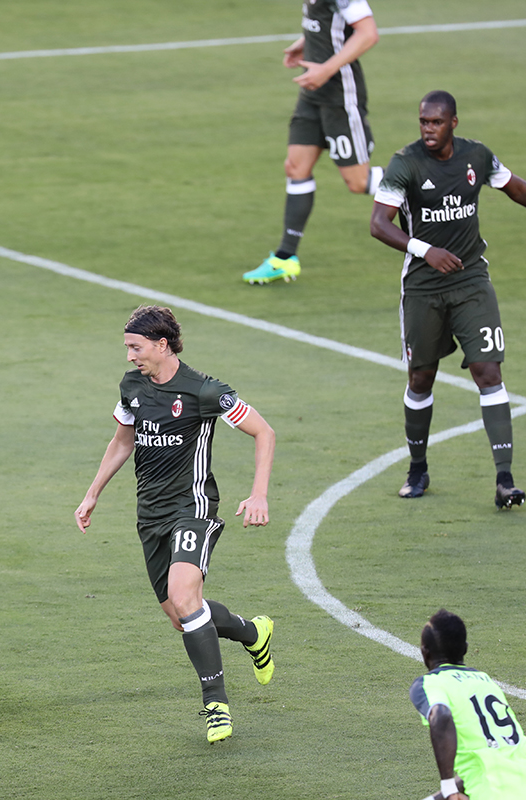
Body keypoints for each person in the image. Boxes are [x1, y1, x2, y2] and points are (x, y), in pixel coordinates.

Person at [370, 90, 526, 508]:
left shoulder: (476, 157)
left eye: (435, 122)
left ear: (453, 123)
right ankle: (418, 468)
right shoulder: (405, 163)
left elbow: (516, 188)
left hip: (471, 282)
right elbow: (379, 224)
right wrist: (424, 250)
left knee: (489, 373)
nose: (427, 129)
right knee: (421, 379)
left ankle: (505, 480)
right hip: (422, 287)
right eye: (422, 122)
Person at [74, 306, 277, 743]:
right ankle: (252, 631)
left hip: (193, 506)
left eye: (136, 347)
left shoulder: (204, 390)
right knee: (180, 615)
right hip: (150, 516)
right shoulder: (132, 387)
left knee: (186, 597)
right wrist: (92, 493)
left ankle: (216, 705)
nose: (130, 356)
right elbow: (121, 441)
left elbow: (264, 432)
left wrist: (258, 493)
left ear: (162, 345)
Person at [244, 0, 381, 285]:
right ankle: (285, 259)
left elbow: (368, 33)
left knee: (358, 182)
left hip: (340, 94)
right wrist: (305, 42)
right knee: (296, 166)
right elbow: (330, 26)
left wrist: (326, 69)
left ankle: (431, 182)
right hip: (313, 93)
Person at [410, 609, 526, 800]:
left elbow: (441, 716)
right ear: (465, 648)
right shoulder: (486, 682)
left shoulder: (430, 684)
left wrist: (448, 788)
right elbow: (485, 763)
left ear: (424, 652)